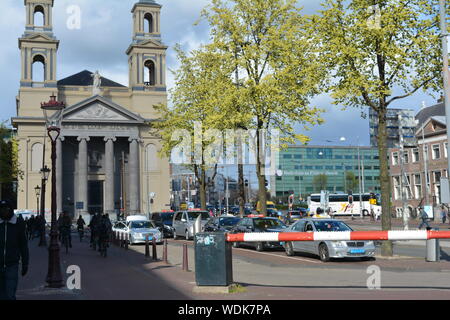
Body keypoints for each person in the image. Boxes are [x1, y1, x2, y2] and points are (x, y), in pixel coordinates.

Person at [0, 200, 29, 300]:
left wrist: (25, 263)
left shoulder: (18, 223)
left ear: (10, 210)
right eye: (1, 209)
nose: (4, 211)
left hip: (12, 264)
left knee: (10, 294)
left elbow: (23, 245)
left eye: (6, 209)